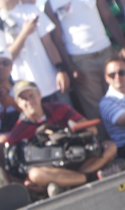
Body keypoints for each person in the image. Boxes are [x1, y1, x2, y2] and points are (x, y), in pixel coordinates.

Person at [0, 80, 118, 196]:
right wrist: (23, 183)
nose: (29, 101)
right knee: (35, 174)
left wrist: (66, 134)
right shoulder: (18, 131)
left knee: (110, 147)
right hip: (54, 169)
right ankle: (90, 178)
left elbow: (92, 130)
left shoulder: (59, 108)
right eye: (23, 98)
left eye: (31, 95)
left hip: (79, 158)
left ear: (39, 95)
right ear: (18, 104)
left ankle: (71, 182)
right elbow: (9, 165)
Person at [45, 0, 125, 137]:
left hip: (106, 52)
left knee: (121, 97)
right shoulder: (50, 4)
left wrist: (122, 45)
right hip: (81, 61)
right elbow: (57, 39)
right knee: (95, 109)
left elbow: (108, 17)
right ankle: (108, 150)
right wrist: (70, 67)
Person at [0, 0, 72, 106]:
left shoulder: (31, 10)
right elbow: (4, 61)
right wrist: (24, 33)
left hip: (53, 83)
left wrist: (61, 69)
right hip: (26, 94)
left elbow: (48, 43)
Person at [99, 57, 125, 158]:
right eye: (112, 74)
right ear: (106, 78)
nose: (117, 77)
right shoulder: (106, 102)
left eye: (121, 72)